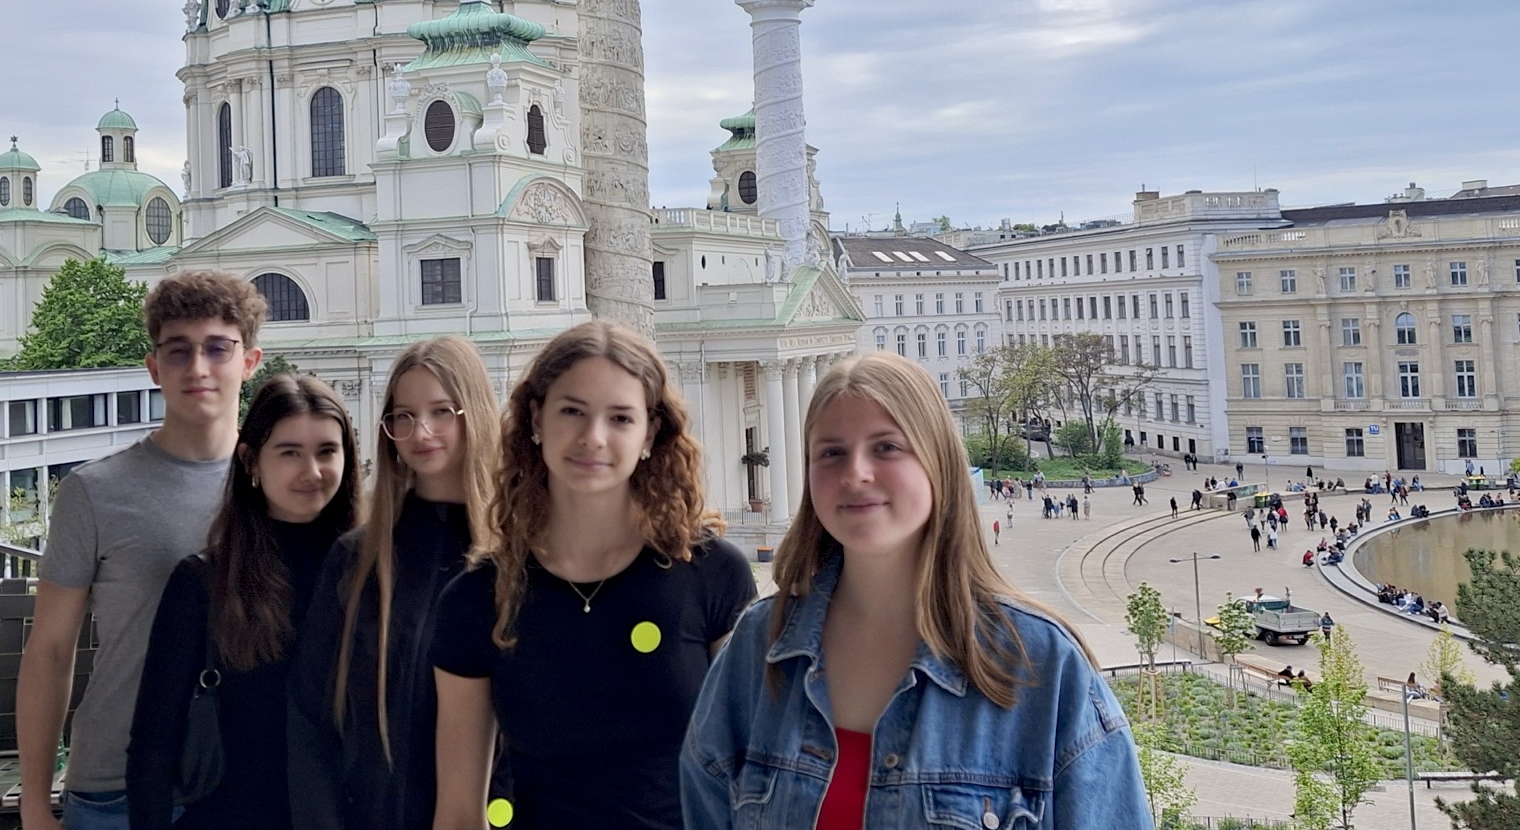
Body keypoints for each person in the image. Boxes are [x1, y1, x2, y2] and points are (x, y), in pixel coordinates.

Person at [680, 352, 1149, 830]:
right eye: (831, 452)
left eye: (886, 447)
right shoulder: (758, 649)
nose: (856, 472)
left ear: (938, 463)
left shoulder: (1042, 666)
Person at [432, 321, 756, 830]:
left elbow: (749, 782)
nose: (593, 438)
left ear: (650, 433)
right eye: (572, 411)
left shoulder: (714, 575)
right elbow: (456, 814)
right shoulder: (476, 598)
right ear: (536, 419)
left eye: (620, 418)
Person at [17, 272, 266, 830]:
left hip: (250, 778)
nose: (198, 368)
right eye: (178, 351)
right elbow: (50, 651)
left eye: (216, 349)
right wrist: (34, 803)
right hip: (114, 785)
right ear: (154, 368)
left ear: (249, 361)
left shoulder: (280, 484)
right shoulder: (96, 490)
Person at [127, 376, 361, 830]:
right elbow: (152, 746)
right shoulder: (203, 583)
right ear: (251, 460)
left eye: (327, 451)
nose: (312, 471)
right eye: (290, 452)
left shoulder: (374, 575)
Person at [288, 338, 500, 830]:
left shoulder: (525, 558)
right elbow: (309, 721)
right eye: (402, 416)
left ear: (476, 413)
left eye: (441, 411)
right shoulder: (356, 559)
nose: (420, 431)